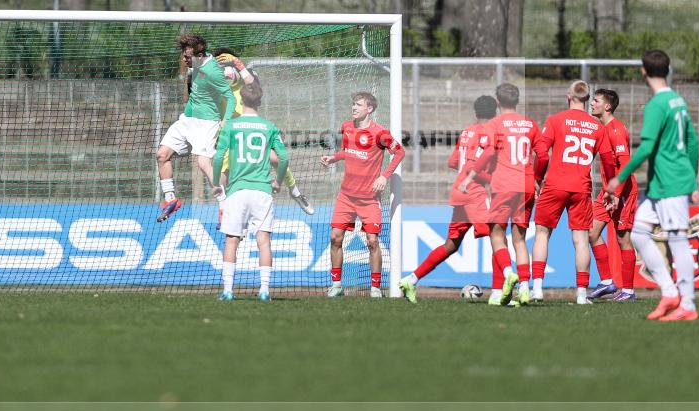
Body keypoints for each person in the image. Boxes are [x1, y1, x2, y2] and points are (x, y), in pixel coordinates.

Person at [607, 50, 699, 321]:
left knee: (678, 240)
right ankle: (670, 292)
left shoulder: (658, 104)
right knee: (637, 232)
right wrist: (693, 178)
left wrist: (620, 177)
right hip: (662, 184)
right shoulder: (677, 101)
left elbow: (646, 147)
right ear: (668, 69)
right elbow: (693, 141)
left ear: (643, 72)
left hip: (671, 182)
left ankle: (689, 304)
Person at [398, 95, 497, 304]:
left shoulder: (467, 131)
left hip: (460, 192)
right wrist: (494, 176)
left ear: (475, 112)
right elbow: (473, 168)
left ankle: (411, 279)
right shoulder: (488, 133)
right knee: (499, 238)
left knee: (451, 245)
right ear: (495, 113)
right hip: (474, 192)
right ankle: (500, 292)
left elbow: (453, 162)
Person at [532, 80, 617, 305]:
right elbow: (609, 160)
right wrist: (610, 188)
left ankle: (537, 288)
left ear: (568, 95)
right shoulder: (597, 127)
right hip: (581, 187)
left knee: (542, 234)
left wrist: (537, 178)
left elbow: (542, 154)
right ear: (587, 99)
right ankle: (581, 294)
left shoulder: (555, 120)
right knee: (580, 240)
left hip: (555, 184)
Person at [466, 84, 549, 306]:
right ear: (517, 100)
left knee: (496, 234)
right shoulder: (530, 124)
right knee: (520, 239)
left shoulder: (494, 124)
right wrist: (537, 178)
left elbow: (487, 152)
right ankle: (524, 287)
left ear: (498, 102)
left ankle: (507, 273)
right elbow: (543, 156)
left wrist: (471, 175)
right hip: (526, 185)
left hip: (503, 185)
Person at [321, 92, 404, 298]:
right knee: (335, 238)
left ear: (370, 109)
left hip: (368, 199)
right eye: (353, 104)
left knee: (372, 241)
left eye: (358, 105)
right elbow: (348, 151)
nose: (354, 107)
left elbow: (400, 152)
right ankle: (337, 285)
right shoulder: (346, 127)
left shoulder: (380, 133)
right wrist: (333, 158)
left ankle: (375, 288)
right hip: (346, 196)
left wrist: (384, 176)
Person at [211, 82, 289, 301]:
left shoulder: (231, 126)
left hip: (237, 190)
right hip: (262, 190)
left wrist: (217, 182)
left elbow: (218, 157)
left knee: (231, 240)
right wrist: (278, 181)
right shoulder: (270, 126)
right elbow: (283, 158)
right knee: (263, 240)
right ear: (260, 101)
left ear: (241, 100)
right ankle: (264, 290)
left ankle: (228, 291)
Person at [213, 48, 314, 215]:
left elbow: (253, 86)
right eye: (219, 62)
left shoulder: (248, 74)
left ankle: (295, 191)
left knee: (276, 158)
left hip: (251, 128)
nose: (222, 64)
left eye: (225, 60)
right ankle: (223, 209)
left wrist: (237, 65)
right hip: (230, 132)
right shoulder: (215, 79)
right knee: (223, 172)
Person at [156, 33, 235, 223]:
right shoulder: (196, 62)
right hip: (187, 120)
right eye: (183, 55)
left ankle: (225, 205)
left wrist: (226, 121)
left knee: (203, 163)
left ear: (199, 56)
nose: (184, 59)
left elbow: (230, 98)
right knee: (161, 155)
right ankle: (171, 199)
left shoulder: (213, 71)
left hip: (206, 122)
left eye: (187, 57)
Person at [587, 89, 639, 302]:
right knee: (591, 231)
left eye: (596, 101)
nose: (592, 104)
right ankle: (607, 282)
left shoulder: (616, 130)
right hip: (608, 191)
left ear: (607, 106)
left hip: (623, 191)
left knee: (622, 238)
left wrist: (616, 194)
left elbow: (625, 166)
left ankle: (628, 291)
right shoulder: (603, 128)